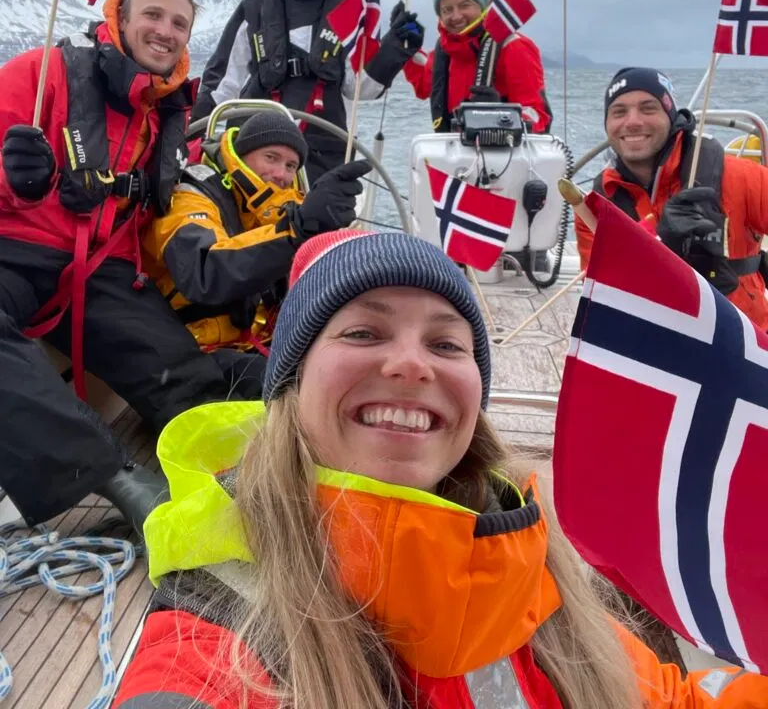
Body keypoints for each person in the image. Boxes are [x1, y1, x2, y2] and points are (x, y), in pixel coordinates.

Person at [114, 228, 767, 708]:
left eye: (446, 343)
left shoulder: (521, 561)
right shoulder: (215, 628)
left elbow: (671, 700)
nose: (412, 364)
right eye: (364, 333)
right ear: (291, 386)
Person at [0, 0, 264, 533]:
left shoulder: (164, 111)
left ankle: (254, 470)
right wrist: (14, 176)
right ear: (120, 17)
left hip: (101, 271)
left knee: (182, 374)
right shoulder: (44, 73)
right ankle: (115, 475)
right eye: (152, 14)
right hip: (14, 251)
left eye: (179, 23)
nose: (165, 31)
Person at [192, 0, 423, 181]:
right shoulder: (258, 3)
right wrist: (192, 138)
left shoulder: (350, 2)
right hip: (254, 150)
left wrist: (395, 48)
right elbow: (224, 81)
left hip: (323, 152)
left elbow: (360, 87)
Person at [142, 109, 371, 366]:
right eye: (271, 157)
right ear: (241, 156)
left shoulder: (289, 212)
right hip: (194, 354)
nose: (280, 174)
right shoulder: (190, 196)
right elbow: (204, 272)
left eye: (290, 166)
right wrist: (296, 231)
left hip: (260, 347)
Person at [577, 67, 768, 329]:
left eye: (648, 108)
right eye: (619, 112)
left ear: (671, 116)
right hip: (653, 345)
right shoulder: (596, 207)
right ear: (607, 124)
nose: (632, 121)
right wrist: (663, 244)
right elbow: (603, 292)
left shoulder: (741, 178)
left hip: (740, 342)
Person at [402, 0, 552, 132]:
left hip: (504, 154)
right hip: (451, 153)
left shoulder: (514, 47)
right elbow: (425, 87)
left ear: (483, 5)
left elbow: (539, 117)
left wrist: (502, 115)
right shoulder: (444, 51)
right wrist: (407, 49)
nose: (456, 16)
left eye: (465, 5)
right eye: (447, 10)